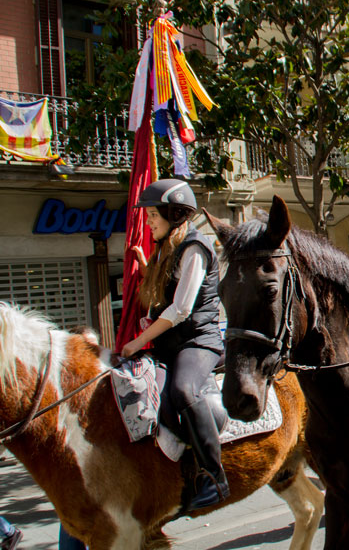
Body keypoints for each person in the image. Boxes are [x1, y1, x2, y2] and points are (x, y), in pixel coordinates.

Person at [124, 179, 229, 511]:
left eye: (153, 215)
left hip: (198, 342)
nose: (149, 222)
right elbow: (165, 288)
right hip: (171, 344)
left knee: (183, 390)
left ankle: (214, 476)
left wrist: (138, 341)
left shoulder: (195, 248)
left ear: (173, 215)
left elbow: (181, 308)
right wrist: (144, 266)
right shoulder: (166, 249)